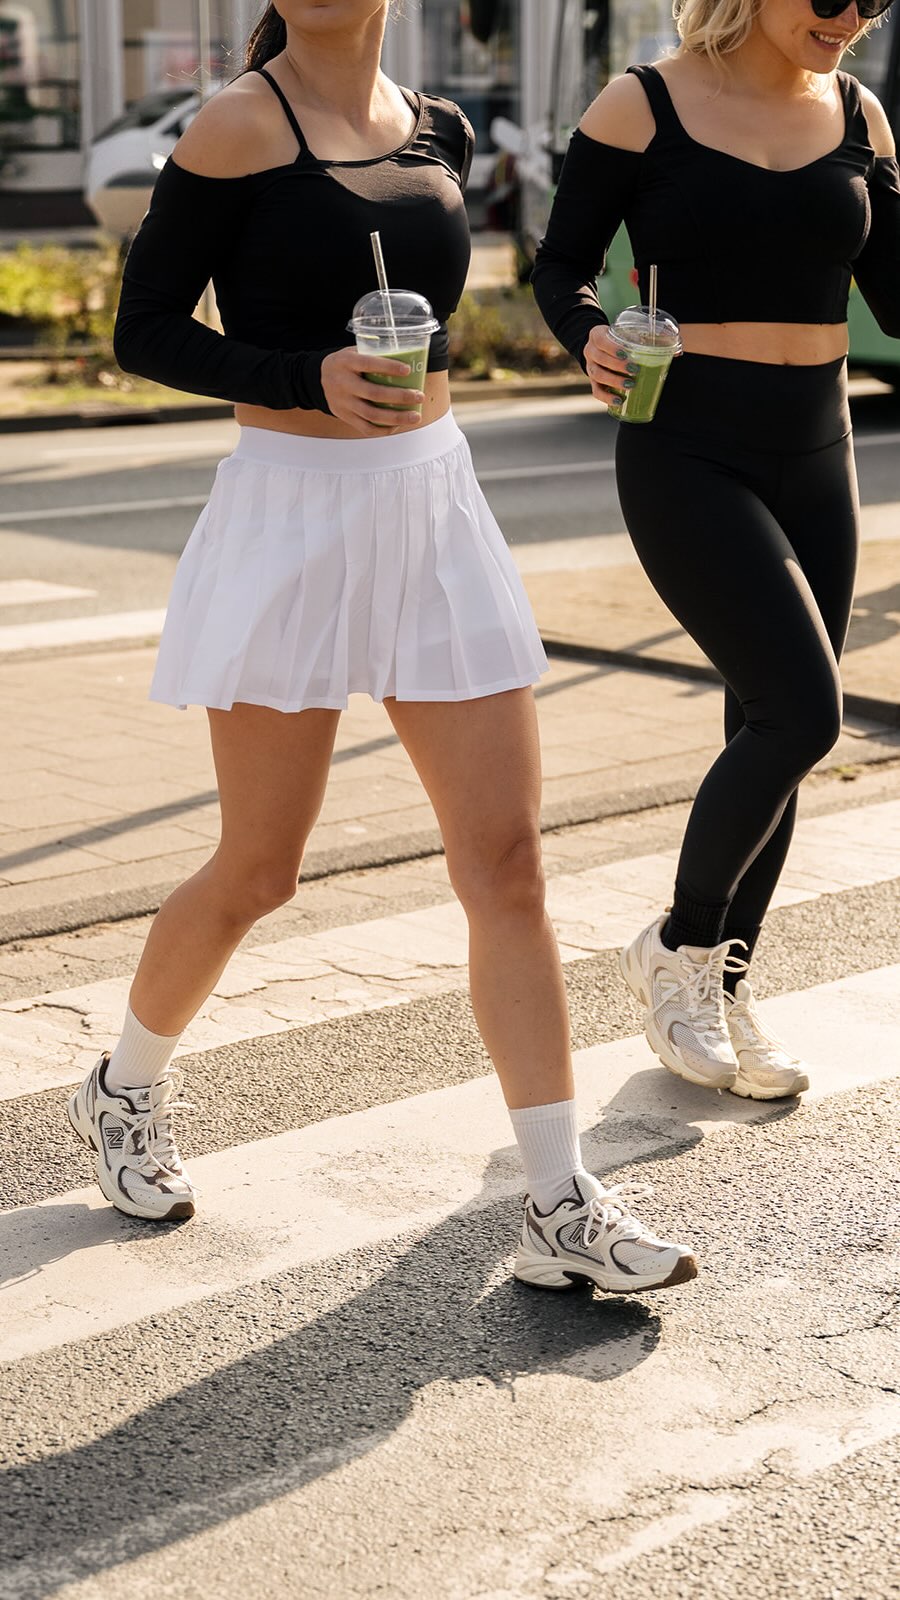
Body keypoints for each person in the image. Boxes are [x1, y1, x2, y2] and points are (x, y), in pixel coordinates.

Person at [66, 0, 697, 1297]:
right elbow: (143, 332)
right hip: (291, 513)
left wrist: (582, 341)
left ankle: (556, 1197)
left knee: (507, 861)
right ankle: (121, 1088)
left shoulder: (441, 129)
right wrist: (310, 377)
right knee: (258, 869)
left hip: (432, 502)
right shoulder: (239, 124)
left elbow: (465, 306)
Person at [533, 0, 899, 1101]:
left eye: (875, 2)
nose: (855, 20)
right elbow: (563, 267)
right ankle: (681, 949)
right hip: (685, 442)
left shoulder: (860, 115)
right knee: (805, 710)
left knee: (770, 728)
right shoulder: (642, 103)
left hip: (820, 448)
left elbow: (894, 291)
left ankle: (725, 987)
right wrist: (588, 331)